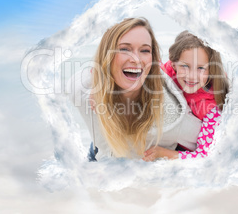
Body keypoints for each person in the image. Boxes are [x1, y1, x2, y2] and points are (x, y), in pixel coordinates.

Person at [69, 18, 202, 159]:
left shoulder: (174, 120)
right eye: (124, 49)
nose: (137, 59)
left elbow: (214, 151)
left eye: (145, 50)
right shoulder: (83, 91)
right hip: (99, 156)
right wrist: (97, 80)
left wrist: (170, 154)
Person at [143, 31, 229, 160]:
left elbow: (205, 156)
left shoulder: (213, 108)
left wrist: (164, 153)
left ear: (211, 70)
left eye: (201, 68)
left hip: (186, 151)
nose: (191, 76)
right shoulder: (166, 72)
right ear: (174, 64)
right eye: (185, 66)